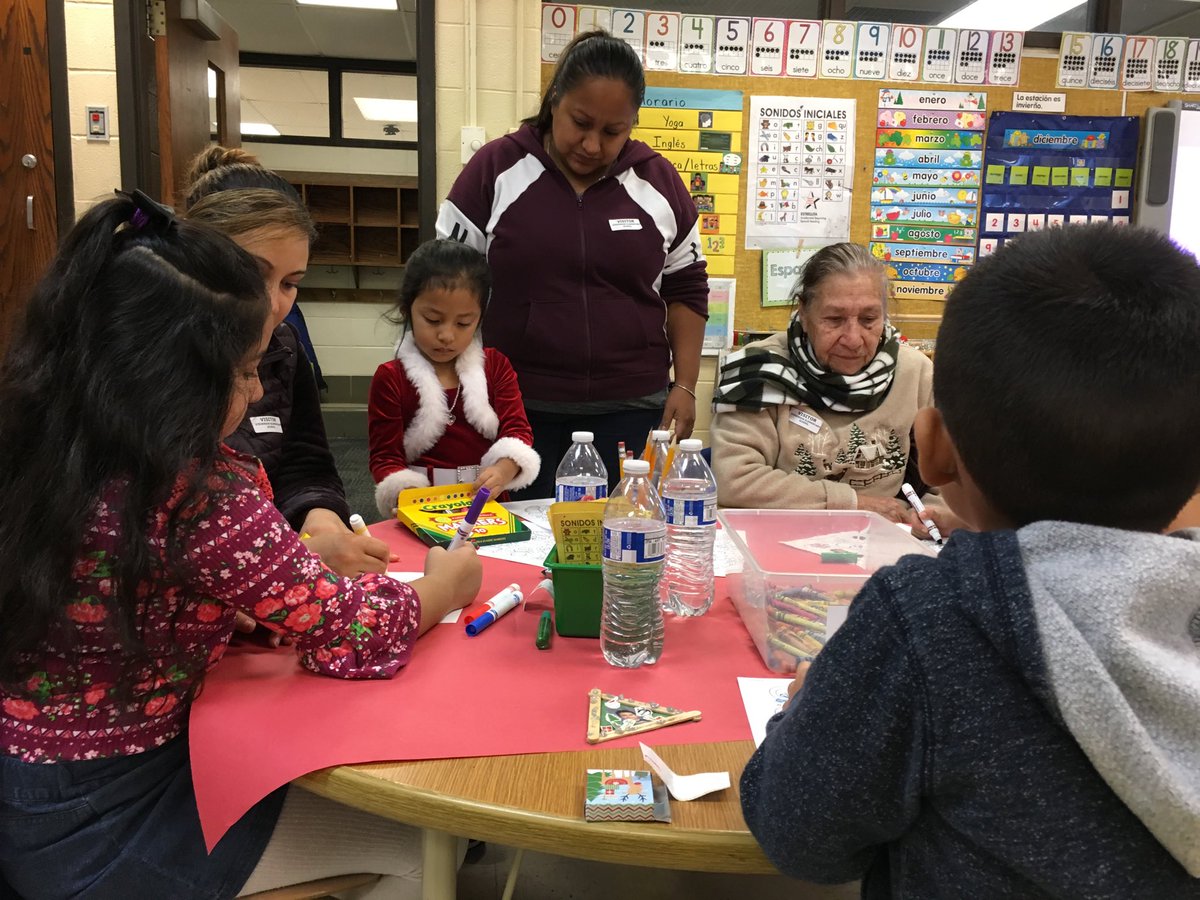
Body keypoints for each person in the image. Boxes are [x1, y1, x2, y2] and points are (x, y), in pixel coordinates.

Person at [0, 193, 481, 898]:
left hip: (28, 790)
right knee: (430, 845)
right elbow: (356, 629)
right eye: (247, 370)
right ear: (176, 379)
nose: (260, 391)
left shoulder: (43, 436)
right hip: (107, 819)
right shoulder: (197, 493)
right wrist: (445, 585)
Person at [740, 224, 1200, 897]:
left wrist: (804, 706)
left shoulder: (925, 619)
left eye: (869, 318)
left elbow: (797, 836)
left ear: (933, 448)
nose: (853, 333)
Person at [436, 29, 709, 497]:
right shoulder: (494, 170)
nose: (591, 145)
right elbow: (444, 285)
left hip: (632, 406)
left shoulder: (658, 181)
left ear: (632, 122)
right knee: (513, 548)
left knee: (623, 547)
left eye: (612, 132)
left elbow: (686, 288)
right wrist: (450, 389)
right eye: (579, 123)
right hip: (514, 407)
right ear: (554, 99)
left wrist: (684, 385)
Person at [184, 147, 392, 577]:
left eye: (290, 283)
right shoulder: (146, 363)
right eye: (253, 275)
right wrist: (286, 562)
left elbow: (305, 465)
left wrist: (320, 518)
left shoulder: (285, 346)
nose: (273, 304)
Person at [711, 242, 947, 533]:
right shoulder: (757, 370)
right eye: (834, 320)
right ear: (804, 313)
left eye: (869, 319)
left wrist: (931, 515)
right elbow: (734, 480)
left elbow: (947, 482)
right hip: (776, 539)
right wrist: (852, 503)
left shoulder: (916, 373)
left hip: (883, 542)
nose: (853, 338)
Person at [368, 239, 540, 518]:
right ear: (407, 309)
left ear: (480, 318)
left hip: (489, 504)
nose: (447, 335)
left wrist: (505, 467)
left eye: (463, 323)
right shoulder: (391, 378)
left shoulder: (495, 366)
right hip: (421, 507)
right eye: (433, 320)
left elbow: (517, 430)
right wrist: (405, 493)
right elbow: (385, 456)